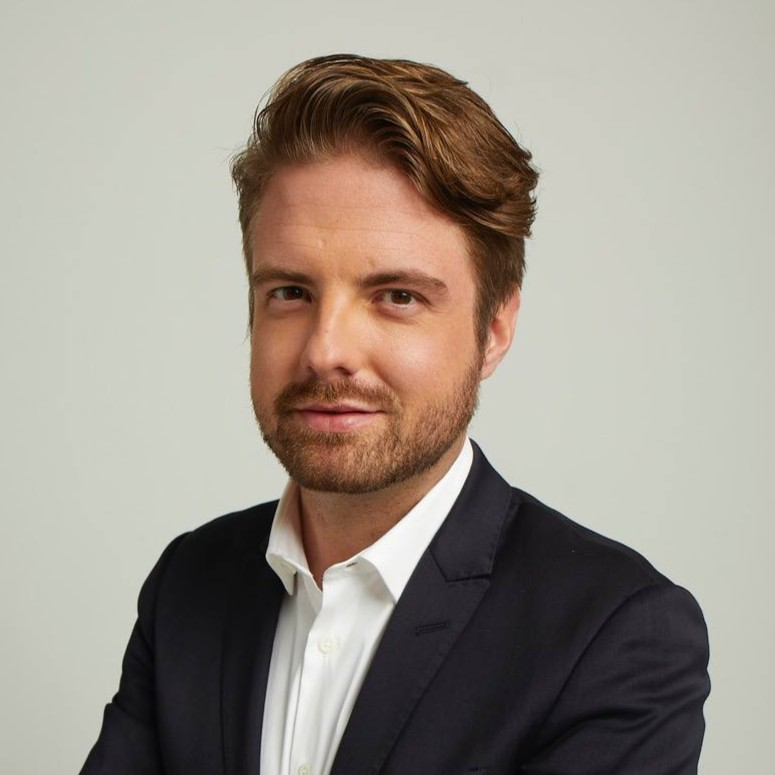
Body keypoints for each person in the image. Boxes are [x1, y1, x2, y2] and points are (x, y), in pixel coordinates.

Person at [81, 54, 710, 775]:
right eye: (290, 292)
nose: (326, 351)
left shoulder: (615, 634)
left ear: (494, 328)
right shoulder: (189, 584)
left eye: (397, 297)